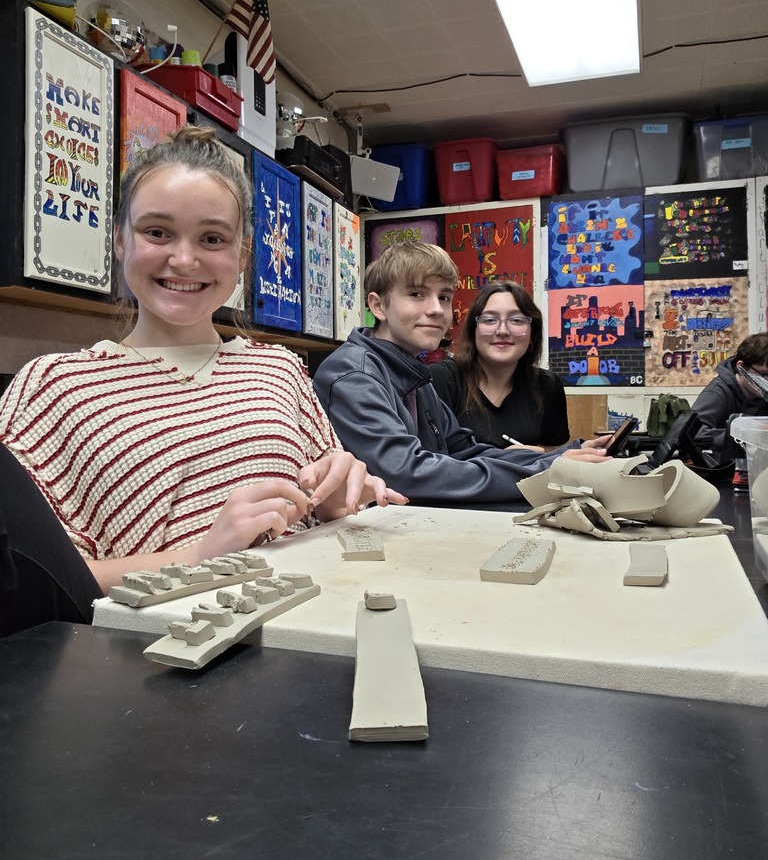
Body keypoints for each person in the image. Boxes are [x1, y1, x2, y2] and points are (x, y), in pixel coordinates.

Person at [0, 126, 405, 634]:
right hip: (160, 663)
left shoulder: (278, 367)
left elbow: (326, 508)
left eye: (212, 238)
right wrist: (201, 554)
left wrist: (334, 498)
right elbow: (43, 584)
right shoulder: (52, 387)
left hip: (321, 631)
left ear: (241, 257)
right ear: (121, 240)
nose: (184, 259)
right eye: (157, 232)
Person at [312, 241, 611, 511]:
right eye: (416, 294)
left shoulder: (412, 372)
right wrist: (546, 472)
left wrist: (561, 458)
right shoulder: (354, 374)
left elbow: (464, 450)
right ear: (378, 306)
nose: (436, 310)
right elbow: (404, 474)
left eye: (443, 297)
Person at [430, 282, 569, 451]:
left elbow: (553, 452)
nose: (502, 330)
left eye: (516, 320)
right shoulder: (440, 380)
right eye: (489, 320)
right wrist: (504, 462)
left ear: (533, 334)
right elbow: (428, 461)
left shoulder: (547, 386)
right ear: (474, 331)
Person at [692, 332, 768, 460]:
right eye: (764, 374)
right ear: (741, 367)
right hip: (723, 470)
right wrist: (743, 436)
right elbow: (694, 433)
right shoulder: (717, 393)